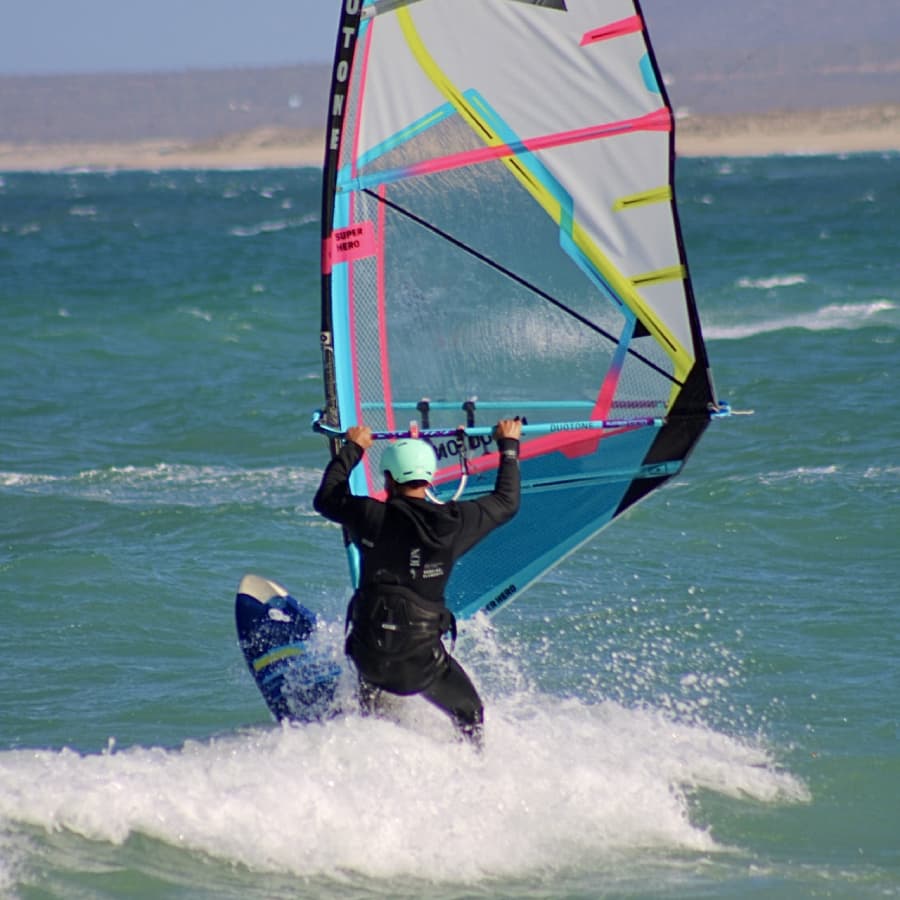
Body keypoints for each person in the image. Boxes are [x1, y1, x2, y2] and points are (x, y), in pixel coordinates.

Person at [313, 419, 522, 746]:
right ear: (429, 478)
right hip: (420, 668)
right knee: (470, 713)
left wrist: (353, 448)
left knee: (372, 651)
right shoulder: (453, 524)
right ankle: (474, 770)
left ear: (388, 480)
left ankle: (363, 724)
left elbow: (326, 497)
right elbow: (507, 501)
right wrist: (508, 445)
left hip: (367, 657)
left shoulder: (369, 515)